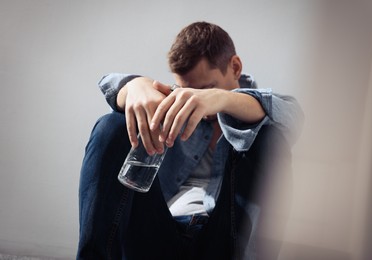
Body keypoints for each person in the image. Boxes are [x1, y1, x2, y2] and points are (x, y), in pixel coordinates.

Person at [77, 21, 304, 259]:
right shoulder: (174, 104)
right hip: (158, 235)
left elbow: (292, 115)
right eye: (187, 90)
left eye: (206, 88)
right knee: (111, 124)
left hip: (226, 244)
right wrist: (133, 86)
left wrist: (221, 100)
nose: (194, 100)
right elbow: (109, 83)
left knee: (268, 136)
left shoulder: (262, 107)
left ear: (235, 67)